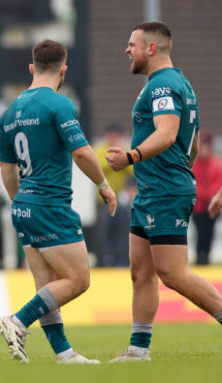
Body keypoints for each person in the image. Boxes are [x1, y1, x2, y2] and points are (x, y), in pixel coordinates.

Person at [106, 22, 222, 362]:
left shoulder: (163, 86)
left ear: (151, 48)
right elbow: (194, 143)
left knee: (173, 273)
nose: (127, 50)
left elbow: (169, 132)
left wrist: (131, 157)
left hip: (164, 191)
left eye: (132, 44)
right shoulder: (180, 83)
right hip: (153, 190)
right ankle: (138, 351)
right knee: (140, 273)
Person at [0, 39, 117, 365]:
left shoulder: (9, 113)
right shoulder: (58, 105)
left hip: (23, 204)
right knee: (79, 280)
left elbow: (7, 168)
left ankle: (64, 354)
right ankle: (18, 322)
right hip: (50, 204)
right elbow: (81, 151)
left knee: (46, 285)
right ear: (63, 70)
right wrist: (103, 185)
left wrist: (20, 202)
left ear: (32, 69)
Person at [94, 122, 135, 266]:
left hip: (123, 202)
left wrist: (123, 157)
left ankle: (122, 259)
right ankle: (104, 260)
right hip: (103, 200)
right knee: (104, 231)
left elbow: (132, 171)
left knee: (122, 231)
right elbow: (98, 166)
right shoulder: (100, 150)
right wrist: (115, 160)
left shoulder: (125, 150)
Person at [191, 130, 222, 265]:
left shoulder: (216, 165)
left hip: (212, 206)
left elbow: (217, 185)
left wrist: (207, 194)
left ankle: (205, 257)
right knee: (200, 234)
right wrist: (205, 194)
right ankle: (200, 258)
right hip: (198, 208)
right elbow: (193, 184)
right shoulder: (194, 165)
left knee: (209, 234)